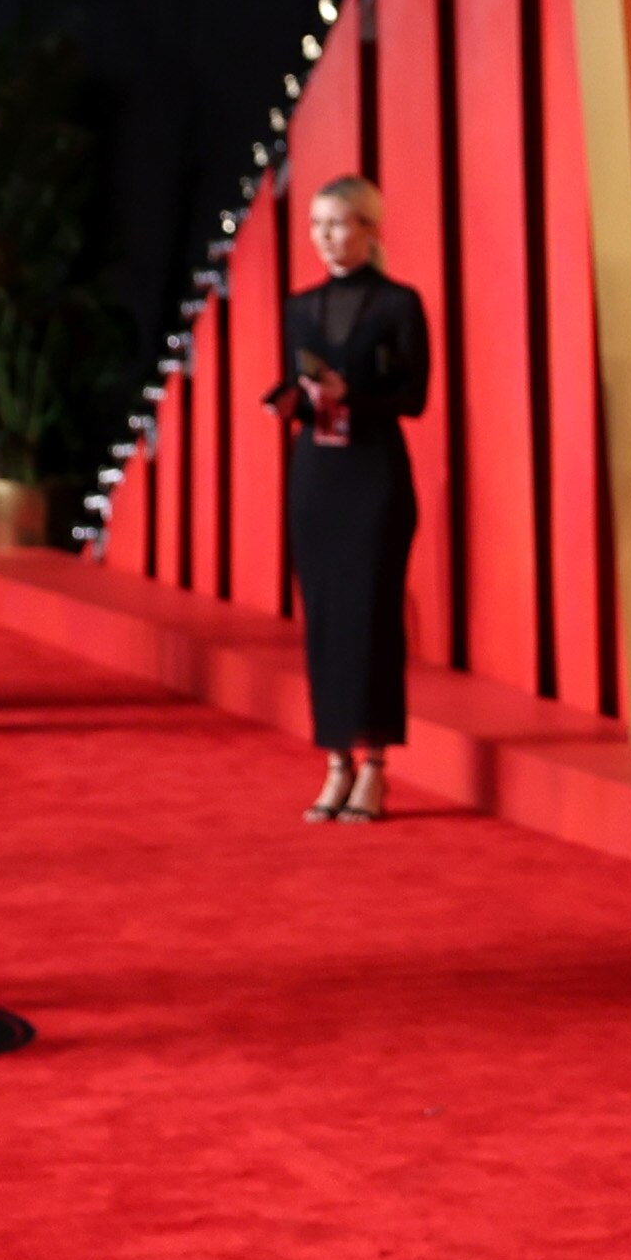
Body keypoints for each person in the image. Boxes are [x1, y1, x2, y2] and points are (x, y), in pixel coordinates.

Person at [269, 174, 427, 820]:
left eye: (338, 224)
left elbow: (414, 398)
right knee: (325, 621)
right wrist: (291, 402)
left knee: (372, 617)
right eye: (317, 225)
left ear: (369, 228)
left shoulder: (398, 304)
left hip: (374, 477)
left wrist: (351, 397)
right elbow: (291, 388)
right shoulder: (299, 307)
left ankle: (377, 767)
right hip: (316, 477)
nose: (326, 238)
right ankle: (336, 763)